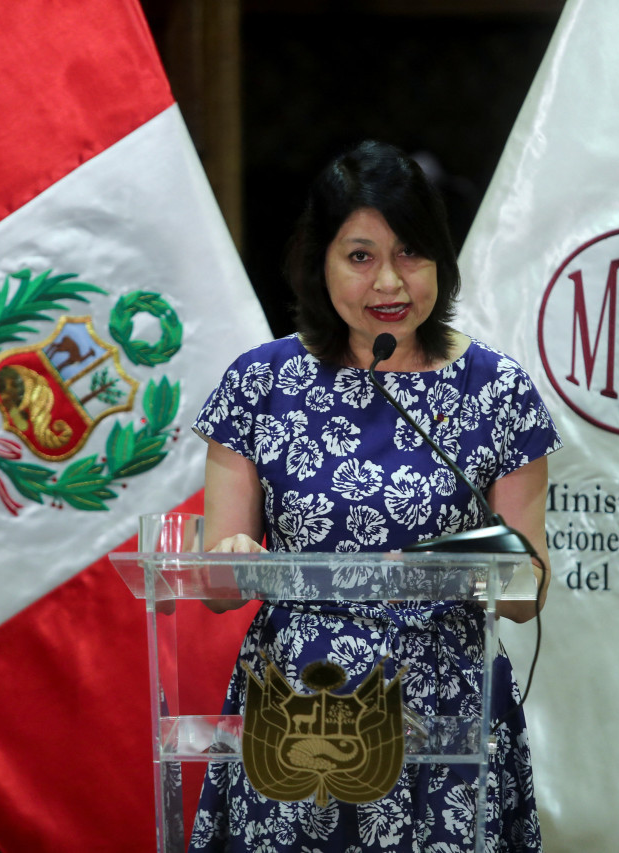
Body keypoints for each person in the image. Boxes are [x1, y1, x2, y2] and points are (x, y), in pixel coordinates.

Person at [189, 140, 560, 851]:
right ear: (317, 261)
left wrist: (446, 564)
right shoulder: (259, 385)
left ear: (442, 262)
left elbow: (528, 588)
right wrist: (232, 555)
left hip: (447, 710)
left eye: (412, 253)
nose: (390, 281)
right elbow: (214, 585)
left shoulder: (498, 391)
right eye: (360, 256)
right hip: (300, 713)